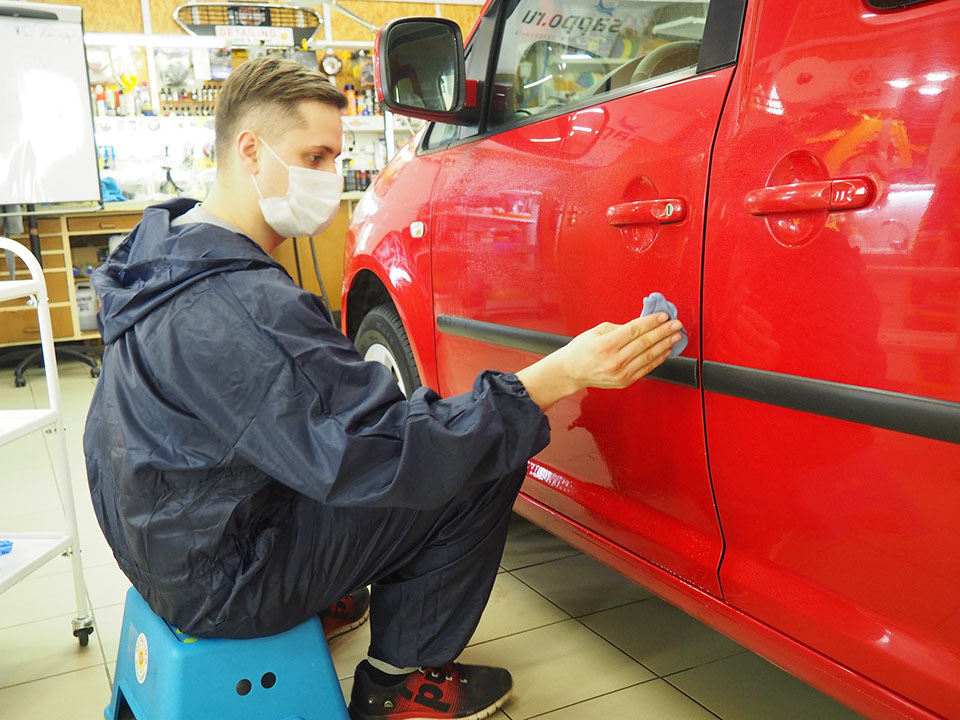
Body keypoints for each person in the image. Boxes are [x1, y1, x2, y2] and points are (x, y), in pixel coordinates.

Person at [83, 56, 684, 720]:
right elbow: (388, 454)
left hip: (161, 547)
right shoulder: (245, 303)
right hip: (225, 578)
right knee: (482, 453)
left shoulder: (162, 252)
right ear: (249, 150)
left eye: (334, 158)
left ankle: (323, 590)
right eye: (312, 155)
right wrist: (554, 376)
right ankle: (400, 681)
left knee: (442, 436)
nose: (327, 177)